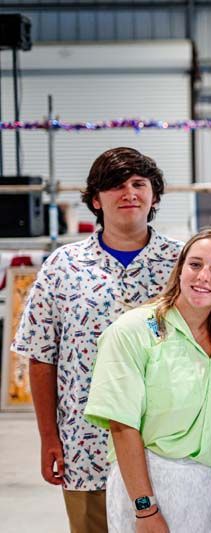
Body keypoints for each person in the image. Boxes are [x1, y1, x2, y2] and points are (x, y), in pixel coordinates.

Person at [11, 147, 182, 533]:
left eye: (140, 184)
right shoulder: (62, 265)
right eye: (116, 186)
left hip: (164, 441)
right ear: (95, 199)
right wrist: (48, 437)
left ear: (154, 196)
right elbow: (41, 357)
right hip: (84, 442)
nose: (130, 193)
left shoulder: (181, 264)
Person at [84, 229, 211, 532]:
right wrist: (145, 509)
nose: (203, 277)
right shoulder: (134, 330)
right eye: (195, 265)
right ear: (180, 269)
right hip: (151, 485)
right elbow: (122, 426)